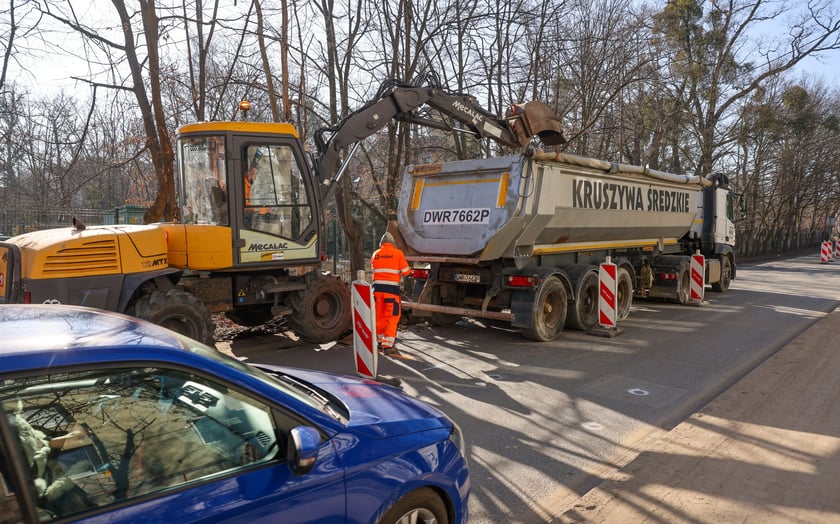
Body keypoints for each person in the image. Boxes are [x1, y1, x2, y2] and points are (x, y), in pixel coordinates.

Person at [371, 232, 410, 355]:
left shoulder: (375, 254)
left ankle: (378, 342)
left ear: (381, 244)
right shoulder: (398, 254)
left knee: (379, 316)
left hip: (377, 292)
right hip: (391, 292)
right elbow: (406, 272)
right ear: (393, 244)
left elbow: (374, 270)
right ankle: (387, 346)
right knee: (392, 317)